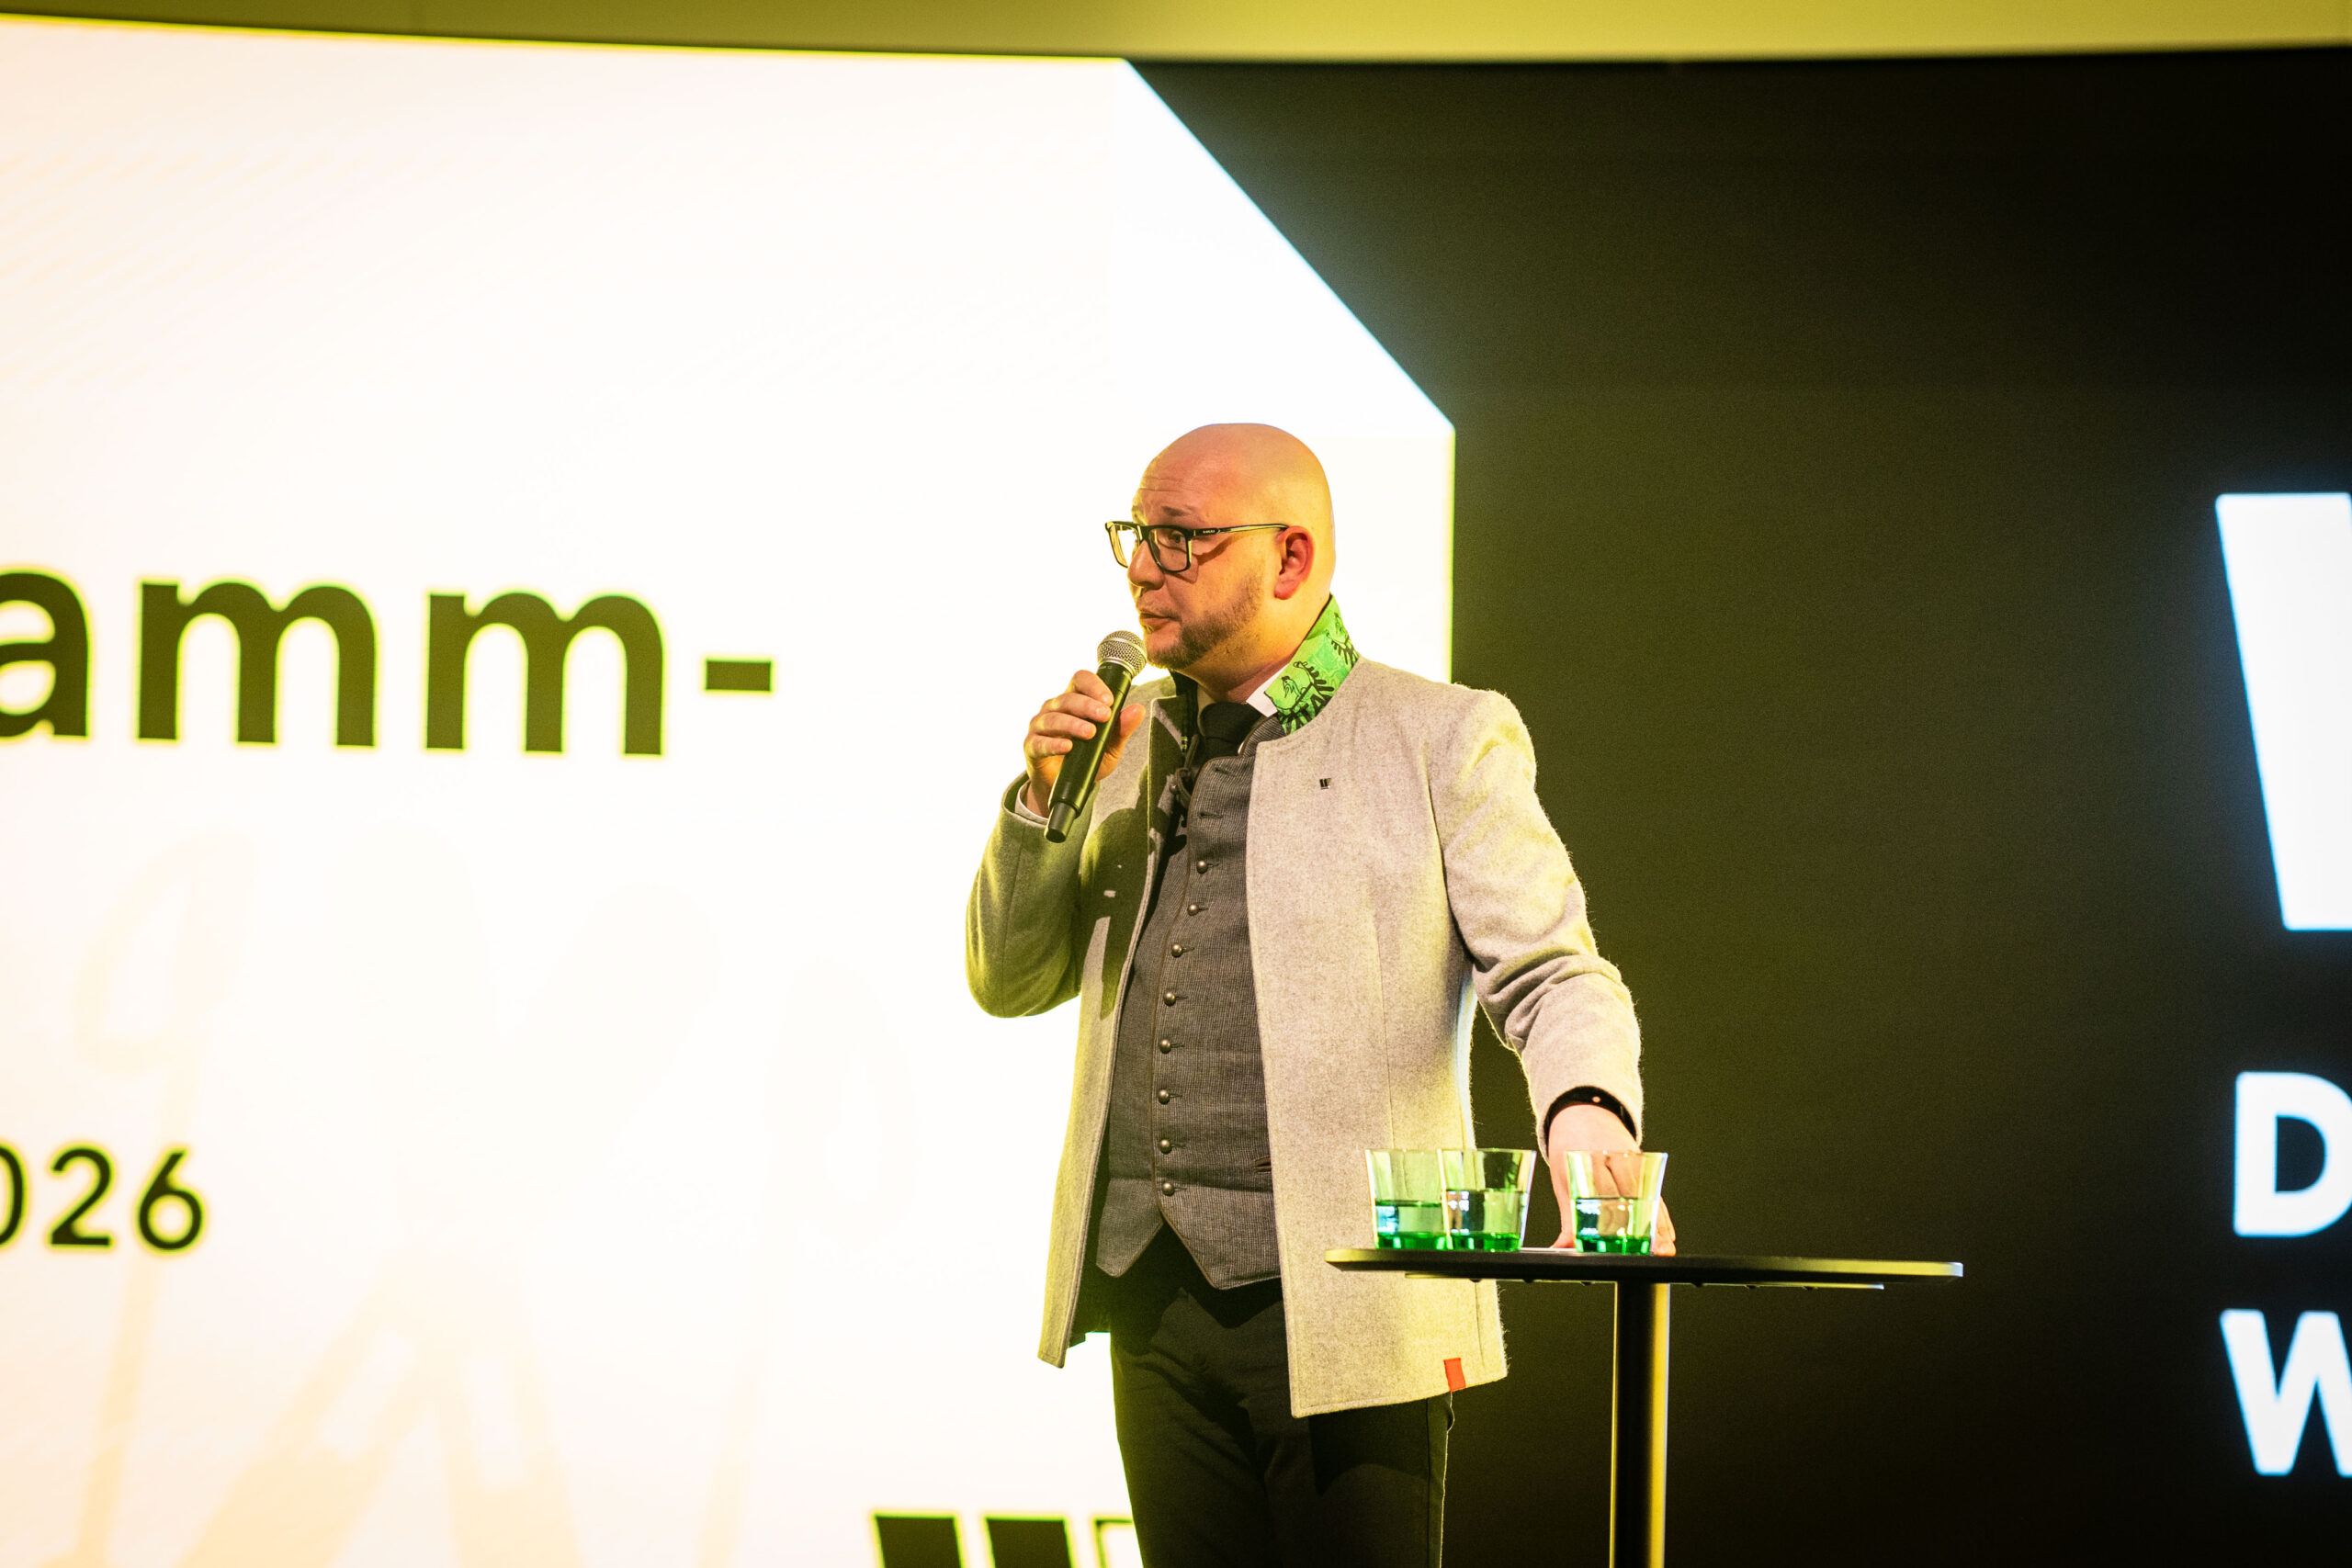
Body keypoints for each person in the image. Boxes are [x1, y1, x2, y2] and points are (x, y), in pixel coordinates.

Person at [966, 423, 1667, 1567]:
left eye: (1180, 538)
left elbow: (1551, 970)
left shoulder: (1437, 735)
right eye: (1135, 536)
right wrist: (1042, 809)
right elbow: (1008, 980)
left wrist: (1588, 1115)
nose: (1142, 567)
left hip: (1357, 1297)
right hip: (1151, 1289)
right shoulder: (1125, 744)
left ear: (1289, 558)